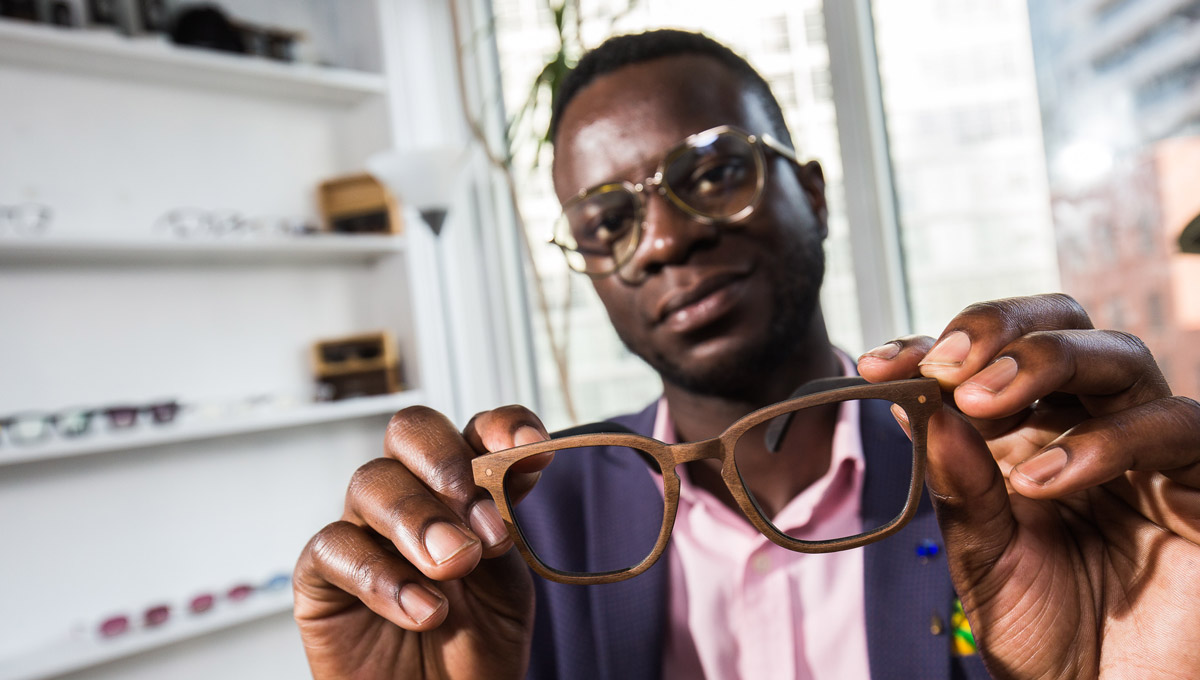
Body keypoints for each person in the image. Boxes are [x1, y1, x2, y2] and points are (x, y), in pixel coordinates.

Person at [292, 29, 1200, 680]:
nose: (663, 241)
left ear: (812, 192)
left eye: (715, 172)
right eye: (608, 221)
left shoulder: (1010, 474)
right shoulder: (518, 523)